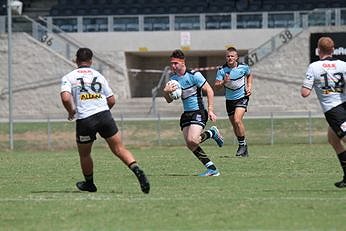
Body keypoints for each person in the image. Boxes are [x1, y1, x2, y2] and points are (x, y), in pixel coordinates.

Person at [60, 48, 150, 193]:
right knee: (119, 148)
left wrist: (71, 111)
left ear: (76, 60)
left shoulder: (69, 77)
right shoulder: (99, 75)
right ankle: (136, 169)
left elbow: (65, 98)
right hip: (104, 115)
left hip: (85, 120)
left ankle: (89, 183)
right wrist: (102, 111)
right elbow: (112, 100)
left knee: (85, 154)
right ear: (90, 61)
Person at [163, 49, 224, 176]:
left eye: (175, 63)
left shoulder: (194, 75)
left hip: (198, 111)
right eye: (171, 63)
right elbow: (169, 100)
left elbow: (210, 90)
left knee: (193, 140)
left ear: (182, 62)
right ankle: (212, 169)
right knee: (190, 144)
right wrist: (165, 92)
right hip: (186, 114)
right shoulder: (173, 79)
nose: (173, 66)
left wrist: (211, 110)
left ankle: (212, 133)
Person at [301, 36, 346, 188]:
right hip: (342, 106)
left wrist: (314, 84)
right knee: (333, 140)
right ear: (333, 50)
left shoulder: (314, 67)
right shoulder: (343, 65)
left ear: (318, 50)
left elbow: (305, 93)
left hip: (334, 111)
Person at [214, 47, 253, 157]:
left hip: (242, 97)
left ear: (236, 57)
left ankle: (241, 146)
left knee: (237, 120)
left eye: (232, 56)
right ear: (226, 58)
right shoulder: (222, 70)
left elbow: (249, 75)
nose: (230, 58)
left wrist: (249, 87)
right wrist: (223, 82)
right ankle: (244, 147)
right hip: (229, 100)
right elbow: (216, 87)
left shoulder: (243, 67)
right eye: (228, 56)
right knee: (235, 125)